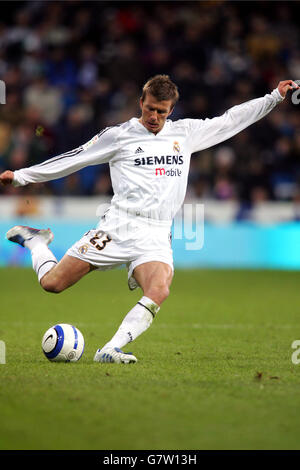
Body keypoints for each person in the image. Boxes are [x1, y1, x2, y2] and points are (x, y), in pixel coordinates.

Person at [0, 75, 298, 364]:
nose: (154, 116)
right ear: (140, 102)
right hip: (118, 226)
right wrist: (22, 177)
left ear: (171, 111)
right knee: (53, 284)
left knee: (159, 290)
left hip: (156, 233)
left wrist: (273, 98)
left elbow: (231, 120)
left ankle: (110, 349)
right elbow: (74, 158)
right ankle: (37, 242)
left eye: (162, 111)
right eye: (150, 108)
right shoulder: (117, 136)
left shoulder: (185, 133)